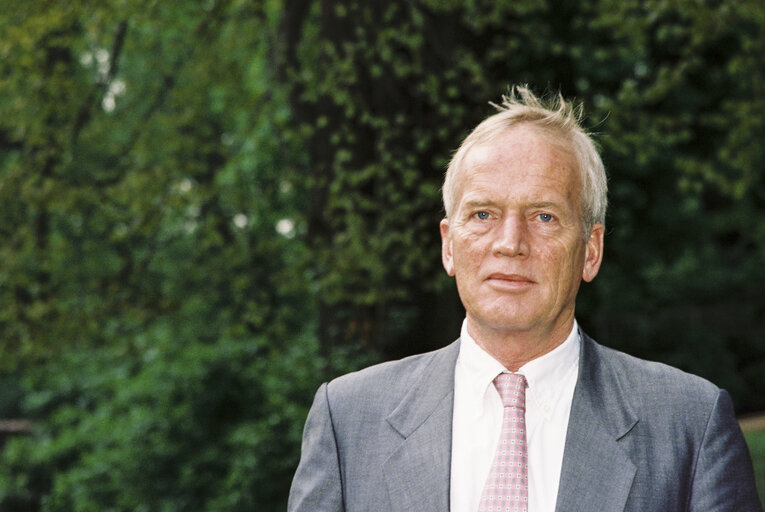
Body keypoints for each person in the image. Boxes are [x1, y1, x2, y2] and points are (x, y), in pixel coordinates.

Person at [287, 86, 762, 512]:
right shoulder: (348, 420)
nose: (510, 242)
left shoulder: (689, 426)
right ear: (449, 245)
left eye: (544, 217)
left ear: (591, 251)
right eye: (483, 213)